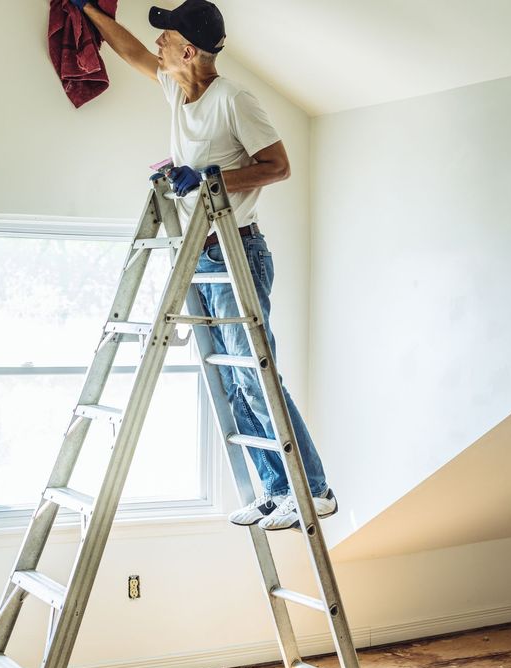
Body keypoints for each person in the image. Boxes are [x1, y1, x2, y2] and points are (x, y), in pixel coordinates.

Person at [71, 0, 336, 531]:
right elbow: (129, 52)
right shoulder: (175, 87)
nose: (159, 46)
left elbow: (278, 166)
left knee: (257, 377)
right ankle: (276, 488)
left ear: (189, 49)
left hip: (238, 251)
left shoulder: (235, 100)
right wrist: (88, 10)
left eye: (166, 38)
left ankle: (315, 489)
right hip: (201, 253)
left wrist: (209, 176)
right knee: (232, 383)